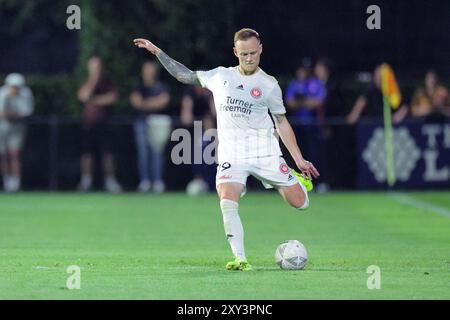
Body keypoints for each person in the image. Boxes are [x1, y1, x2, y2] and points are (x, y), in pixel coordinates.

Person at [134, 28, 319, 271]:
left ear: (261, 49)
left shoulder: (269, 85)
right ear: (235, 52)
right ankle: (240, 257)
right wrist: (157, 52)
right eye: (244, 54)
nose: (250, 58)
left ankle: (290, 179)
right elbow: (185, 76)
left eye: (253, 53)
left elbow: (282, 122)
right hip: (233, 154)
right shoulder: (220, 76)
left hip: (265, 152)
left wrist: (299, 159)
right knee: (226, 196)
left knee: (300, 204)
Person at [77, 56, 122, 193]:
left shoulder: (107, 83)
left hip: (105, 123)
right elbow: (83, 96)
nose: (96, 70)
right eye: (93, 67)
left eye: (98, 67)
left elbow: (113, 98)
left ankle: (110, 181)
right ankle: (86, 181)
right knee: (87, 153)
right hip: (88, 124)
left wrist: (94, 100)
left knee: (108, 153)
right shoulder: (86, 82)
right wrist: (93, 80)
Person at [130, 61, 171, 193]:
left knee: (157, 153)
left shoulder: (161, 86)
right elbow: (136, 102)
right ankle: (145, 181)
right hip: (142, 122)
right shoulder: (138, 86)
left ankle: (158, 181)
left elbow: (164, 101)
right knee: (143, 152)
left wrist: (145, 104)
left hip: (158, 122)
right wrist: (154, 103)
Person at [0, 73, 34, 192]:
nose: (15, 89)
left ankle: (16, 182)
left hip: (17, 128)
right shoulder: (3, 93)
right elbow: (1, 114)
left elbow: (26, 113)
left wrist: (10, 116)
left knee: (15, 154)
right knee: (3, 155)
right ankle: (6, 181)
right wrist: (13, 115)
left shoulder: (26, 94)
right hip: (2, 128)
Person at [180, 85, 216, 195]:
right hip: (193, 131)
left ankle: (213, 184)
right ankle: (199, 180)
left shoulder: (210, 93)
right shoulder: (190, 94)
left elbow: (216, 113)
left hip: (212, 134)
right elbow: (186, 118)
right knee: (198, 156)